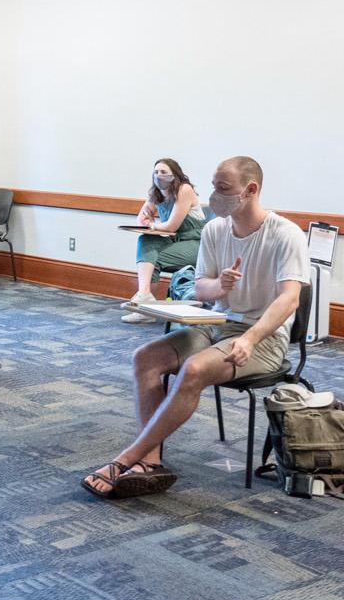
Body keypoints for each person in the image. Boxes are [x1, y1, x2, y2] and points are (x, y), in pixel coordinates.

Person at [83, 156, 309, 498]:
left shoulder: (285, 234)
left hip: (263, 339)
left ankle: (129, 458)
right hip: (218, 325)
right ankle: (150, 463)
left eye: (223, 188)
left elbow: (288, 299)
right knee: (145, 358)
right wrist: (221, 286)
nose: (214, 196)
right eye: (214, 186)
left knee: (193, 370)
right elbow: (201, 287)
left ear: (251, 190)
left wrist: (250, 338)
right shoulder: (215, 229)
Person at [122, 157, 205, 322]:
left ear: (174, 174)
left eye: (163, 172)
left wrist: (153, 225)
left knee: (153, 259)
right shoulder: (156, 193)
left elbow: (171, 226)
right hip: (177, 241)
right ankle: (145, 296)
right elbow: (142, 221)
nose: (159, 175)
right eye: (156, 172)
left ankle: (145, 308)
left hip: (197, 243)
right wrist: (146, 216)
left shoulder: (184, 189)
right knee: (145, 241)